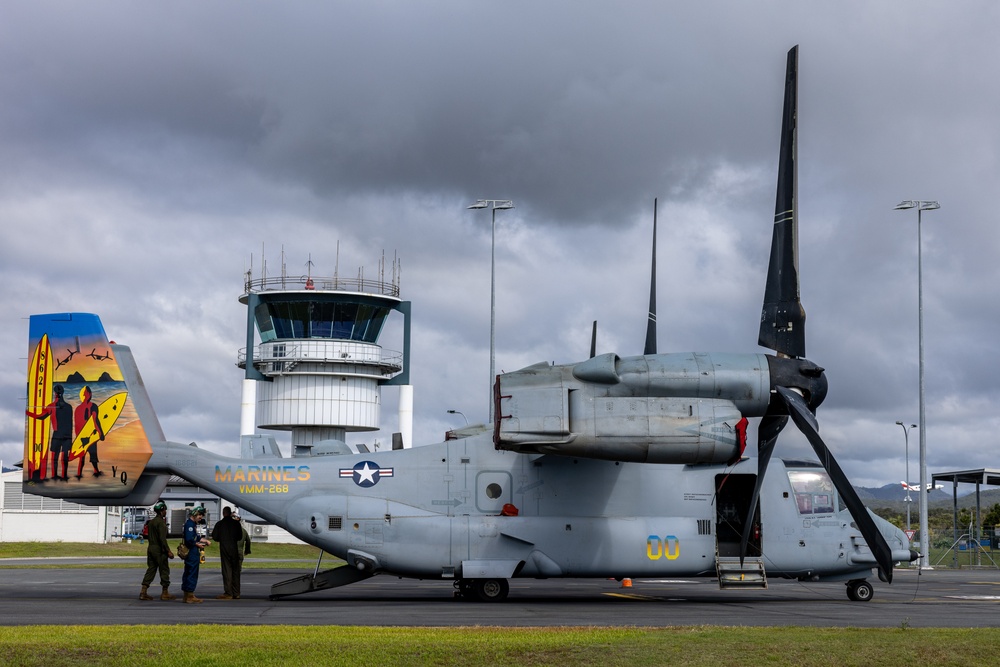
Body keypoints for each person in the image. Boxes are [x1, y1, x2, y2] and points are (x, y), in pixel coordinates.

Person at [25, 384, 73, 481]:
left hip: (57, 434)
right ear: (63, 393)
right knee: (65, 457)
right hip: (67, 435)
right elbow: (70, 423)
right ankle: (64, 476)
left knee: (54, 457)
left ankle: (54, 475)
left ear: (55, 393)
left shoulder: (52, 406)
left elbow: (41, 417)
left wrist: (28, 413)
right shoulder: (69, 407)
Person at [139, 501, 175, 600]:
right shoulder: (161, 523)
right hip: (159, 550)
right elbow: (162, 539)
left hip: (150, 548)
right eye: (165, 510)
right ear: (162, 510)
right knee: (164, 570)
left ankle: (143, 591)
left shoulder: (151, 522)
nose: (165, 512)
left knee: (151, 569)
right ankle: (165, 592)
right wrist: (168, 551)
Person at [210, 506, 243, 600]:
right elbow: (240, 536)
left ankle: (228, 592)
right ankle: (236, 592)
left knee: (227, 570)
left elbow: (215, 537)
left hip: (224, 547)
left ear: (223, 513)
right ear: (230, 513)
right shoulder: (236, 524)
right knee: (236, 570)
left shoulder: (220, 524)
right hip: (234, 547)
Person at [181, 505, 211, 603]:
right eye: (199, 515)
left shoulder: (192, 525)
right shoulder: (190, 525)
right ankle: (190, 595)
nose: (201, 517)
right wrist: (198, 545)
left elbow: (196, 538)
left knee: (188, 572)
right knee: (192, 573)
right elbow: (190, 540)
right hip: (192, 553)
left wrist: (204, 540)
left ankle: (187, 595)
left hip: (192, 552)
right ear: (194, 514)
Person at [74, 386, 105, 479]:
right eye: (89, 393)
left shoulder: (78, 408)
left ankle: (79, 474)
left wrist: (77, 439)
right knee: (93, 455)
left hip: (81, 436)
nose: (90, 394)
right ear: (89, 395)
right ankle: (96, 471)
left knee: (82, 457)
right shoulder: (93, 406)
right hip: (90, 435)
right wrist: (100, 433)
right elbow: (95, 421)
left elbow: (77, 424)